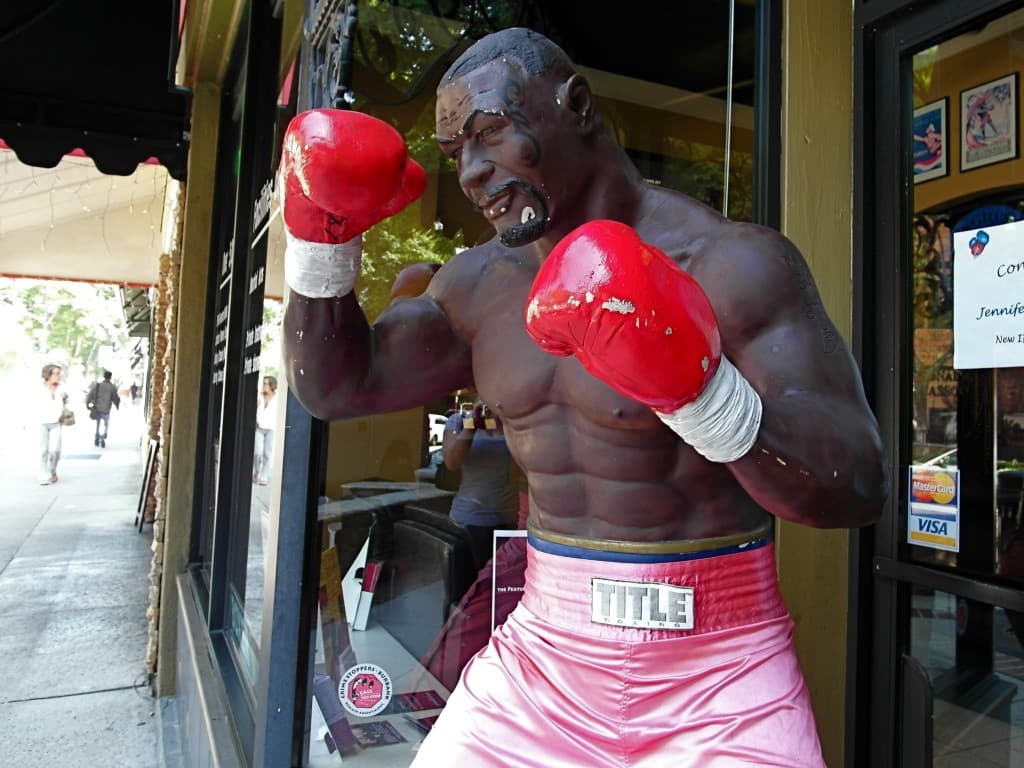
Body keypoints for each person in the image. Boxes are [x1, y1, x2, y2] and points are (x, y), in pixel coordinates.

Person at [279, 27, 888, 767]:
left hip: (720, 674)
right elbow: (338, 385)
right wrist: (322, 242)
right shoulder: (477, 288)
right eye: (456, 154)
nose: (472, 173)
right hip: (544, 661)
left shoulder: (732, 265)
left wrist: (704, 396)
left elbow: (856, 486)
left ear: (576, 104)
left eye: (490, 132)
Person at [441, 399, 519, 570]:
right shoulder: (459, 420)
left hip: (509, 519)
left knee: (500, 584)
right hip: (470, 519)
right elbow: (452, 462)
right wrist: (471, 424)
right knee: (471, 584)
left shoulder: (513, 420)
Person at [36, 363, 69, 485]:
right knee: (43, 450)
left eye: (59, 373)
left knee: (55, 450)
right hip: (41, 422)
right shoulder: (39, 388)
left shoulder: (62, 387)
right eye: (56, 373)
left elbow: (68, 401)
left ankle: (52, 470)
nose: (59, 376)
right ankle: (43, 474)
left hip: (56, 422)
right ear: (48, 375)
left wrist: (66, 398)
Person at [253, 375, 278, 486]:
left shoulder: (277, 398)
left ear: (272, 385)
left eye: (266, 383)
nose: (264, 386)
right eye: (263, 383)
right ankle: (257, 472)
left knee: (267, 454)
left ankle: (264, 476)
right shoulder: (259, 396)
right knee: (258, 452)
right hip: (259, 428)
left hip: (270, 429)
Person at [86, 370, 120, 448]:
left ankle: (97, 436)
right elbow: (115, 398)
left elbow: (90, 395)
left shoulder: (98, 385)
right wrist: (117, 405)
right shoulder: (112, 387)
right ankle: (104, 435)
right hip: (106, 409)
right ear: (110, 377)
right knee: (106, 423)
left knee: (98, 424)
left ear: (104, 376)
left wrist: (87, 404)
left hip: (97, 409)